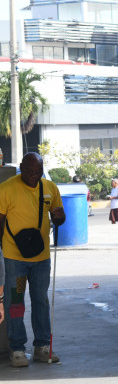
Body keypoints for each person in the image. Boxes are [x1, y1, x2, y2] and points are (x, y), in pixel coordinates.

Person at [0, 152, 66, 367]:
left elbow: (60, 216)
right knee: (16, 301)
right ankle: (17, 349)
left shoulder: (50, 188)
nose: (33, 176)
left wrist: (59, 217)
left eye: (37, 172)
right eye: (28, 172)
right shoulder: (7, 188)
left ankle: (42, 346)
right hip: (15, 258)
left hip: (41, 258)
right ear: (21, 168)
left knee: (41, 300)